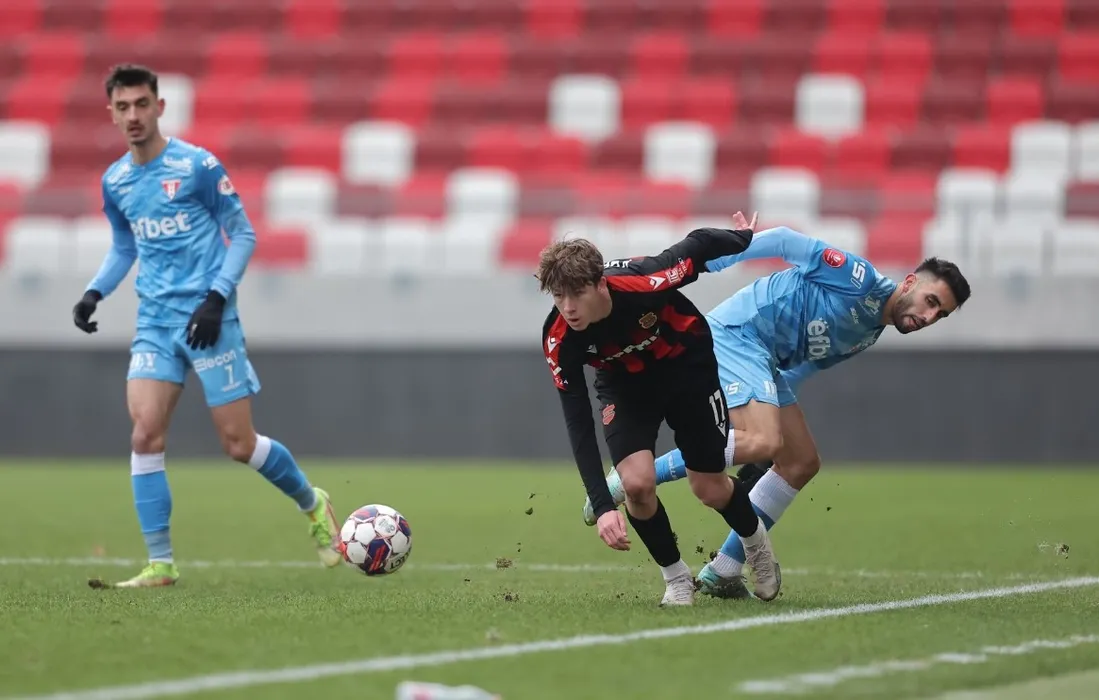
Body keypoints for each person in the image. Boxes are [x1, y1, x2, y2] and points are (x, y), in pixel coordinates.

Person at [582, 213, 972, 599]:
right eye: (931, 301)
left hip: (764, 362)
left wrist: (773, 404)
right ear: (910, 283)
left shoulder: (870, 331)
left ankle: (724, 568)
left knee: (800, 462)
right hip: (737, 335)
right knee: (764, 440)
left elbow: (805, 367)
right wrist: (722, 255)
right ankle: (630, 478)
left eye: (940, 314)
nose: (929, 316)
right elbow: (785, 240)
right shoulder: (858, 279)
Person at [73, 64, 340, 589]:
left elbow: (243, 234)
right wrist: (94, 292)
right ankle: (161, 564)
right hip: (155, 322)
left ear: (159, 107)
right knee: (145, 433)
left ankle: (312, 502)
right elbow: (125, 246)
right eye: (123, 107)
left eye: (141, 104)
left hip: (209, 320)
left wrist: (216, 298)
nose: (133, 115)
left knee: (238, 444)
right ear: (111, 113)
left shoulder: (197, 166)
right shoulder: (116, 181)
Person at [539, 222, 781, 606]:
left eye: (577, 294)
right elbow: (577, 419)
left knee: (709, 488)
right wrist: (603, 506)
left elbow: (699, 244)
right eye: (558, 296)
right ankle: (677, 579)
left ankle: (756, 544)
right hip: (627, 388)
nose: (567, 307)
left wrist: (743, 237)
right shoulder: (559, 338)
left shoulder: (644, 280)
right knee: (636, 484)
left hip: (688, 371)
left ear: (600, 284)